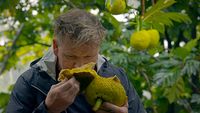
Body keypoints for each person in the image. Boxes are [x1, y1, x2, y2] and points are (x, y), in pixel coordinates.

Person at [6, 9, 146, 113]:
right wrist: (48, 109)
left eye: (88, 57)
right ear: (56, 47)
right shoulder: (31, 82)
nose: (80, 66)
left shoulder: (116, 77)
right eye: (71, 57)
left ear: (98, 49)